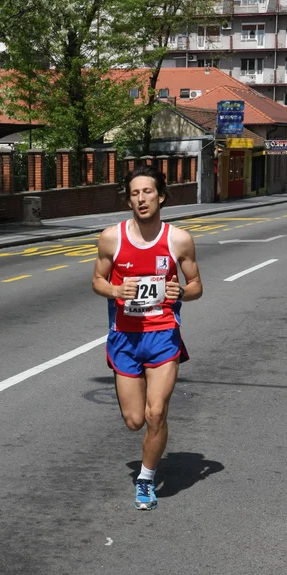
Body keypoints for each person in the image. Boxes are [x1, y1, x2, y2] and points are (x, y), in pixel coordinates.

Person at [92, 164, 203, 510]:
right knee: (134, 421)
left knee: (156, 413)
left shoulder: (179, 239)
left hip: (163, 336)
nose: (141, 199)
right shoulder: (112, 237)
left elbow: (197, 285)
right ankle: (150, 436)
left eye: (148, 192)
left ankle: (145, 479)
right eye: (135, 193)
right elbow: (96, 280)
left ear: (161, 196)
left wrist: (180, 292)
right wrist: (114, 289)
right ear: (128, 200)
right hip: (125, 338)